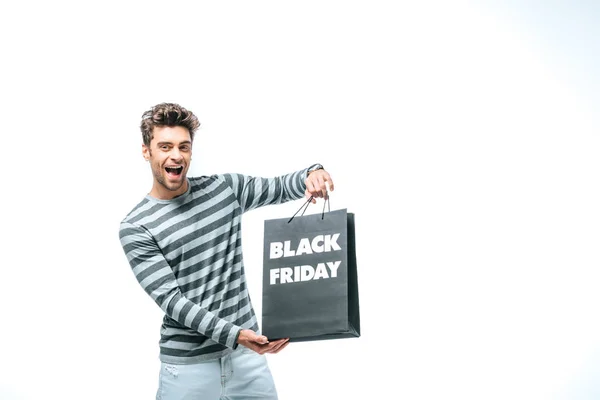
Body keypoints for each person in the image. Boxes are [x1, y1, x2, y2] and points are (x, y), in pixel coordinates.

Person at [118, 102, 334, 399]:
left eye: (184, 146)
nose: (176, 155)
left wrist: (313, 172)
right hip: (187, 371)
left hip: (247, 363)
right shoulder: (137, 225)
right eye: (165, 146)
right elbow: (172, 301)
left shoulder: (223, 190)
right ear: (147, 151)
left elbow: (281, 187)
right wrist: (237, 336)